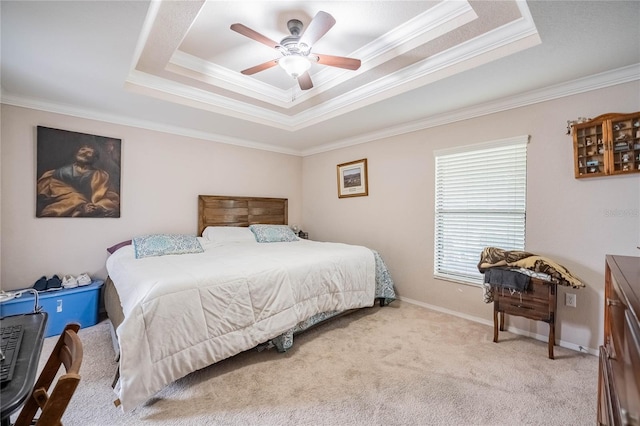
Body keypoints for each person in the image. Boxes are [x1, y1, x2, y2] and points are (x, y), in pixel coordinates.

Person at [37, 143, 120, 217]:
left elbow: (111, 197)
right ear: (76, 153)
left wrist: (98, 207)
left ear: (95, 159)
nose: (84, 153)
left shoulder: (102, 176)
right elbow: (56, 192)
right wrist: (80, 205)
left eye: (89, 152)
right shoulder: (59, 173)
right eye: (82, 149)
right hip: (62, 210)